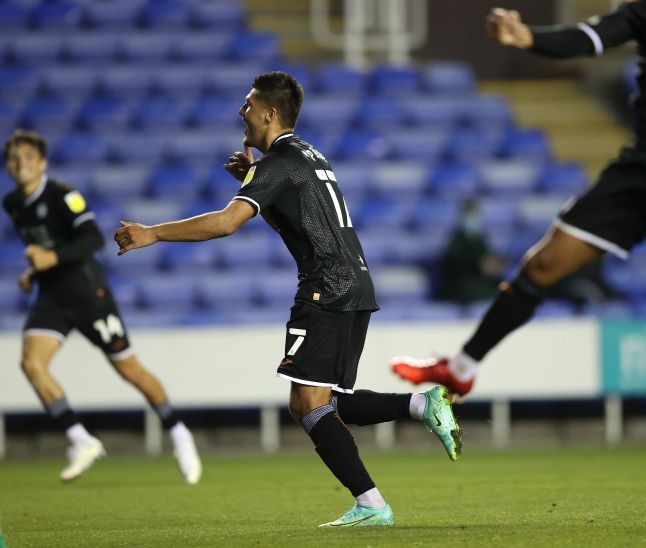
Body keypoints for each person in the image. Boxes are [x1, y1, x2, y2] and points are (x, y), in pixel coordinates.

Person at [392, 1, 646, 511]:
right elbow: (589, 38)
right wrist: (529, 38)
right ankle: (462, 368)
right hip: (639, 170)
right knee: (542, 265)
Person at [114, 71, 463, 527]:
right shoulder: (309, 155)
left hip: (325, 289)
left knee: (307, 404)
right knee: (331, 401)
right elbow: (301, 221)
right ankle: (422, 405)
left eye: (248, 105)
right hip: (355, 284)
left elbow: (224, 223)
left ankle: (373, 506)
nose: (242, 113)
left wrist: (153, 232)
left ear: (270, 113)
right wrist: (260, 185)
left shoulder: (278, 163)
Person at [2, 129, 202, 484]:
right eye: (14, 160)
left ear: (42, 163)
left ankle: (179, 432)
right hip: (51, 297)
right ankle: (81, 439)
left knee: (130, 371)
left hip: (87, 293)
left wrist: (49, 257)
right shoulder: (13, 203)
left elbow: (92, 238)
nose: (20, 166)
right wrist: (35, 271)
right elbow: (46, 248)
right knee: (31, 363)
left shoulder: (64, 196)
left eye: (28, 159)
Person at [435, 199, 504, 305]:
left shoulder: (480, 238)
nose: (471, 219)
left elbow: (488, 261)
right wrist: (479, 265)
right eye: (468, 215)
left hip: (478, 282)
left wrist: (494, 266)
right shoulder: (456, 240)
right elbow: (454, 264)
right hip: (459, 286)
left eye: (474, 215)